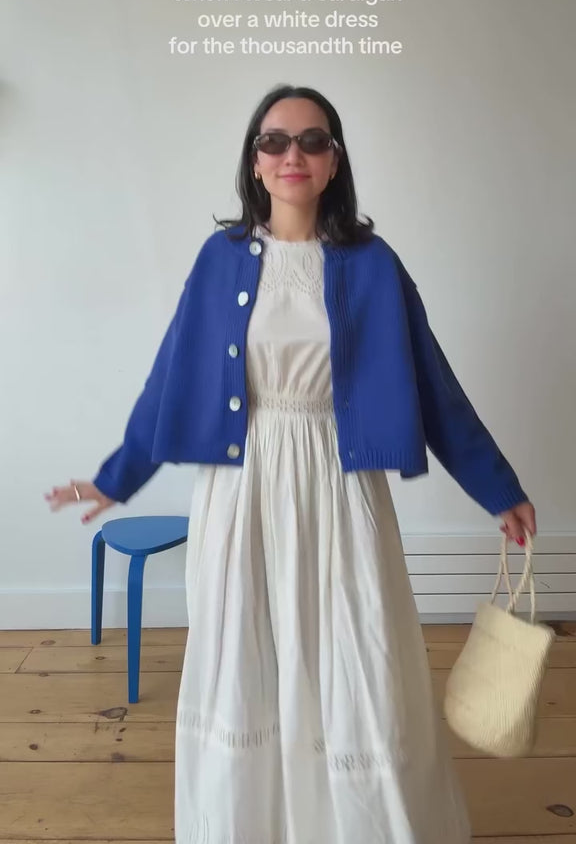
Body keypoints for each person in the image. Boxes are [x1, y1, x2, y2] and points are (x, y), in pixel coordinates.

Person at [46, 83, 537, 844]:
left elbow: (432, 384)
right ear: (255, 161)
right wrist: (118, 476)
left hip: (340, 486)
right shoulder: (219, 261)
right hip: (242, 489)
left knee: (356, 648)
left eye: (313, 140)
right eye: (274, 141)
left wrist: (497, 487)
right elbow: (172, 375)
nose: (292, 155)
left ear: (335, 161)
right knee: (243, 650)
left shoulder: (373, 263)